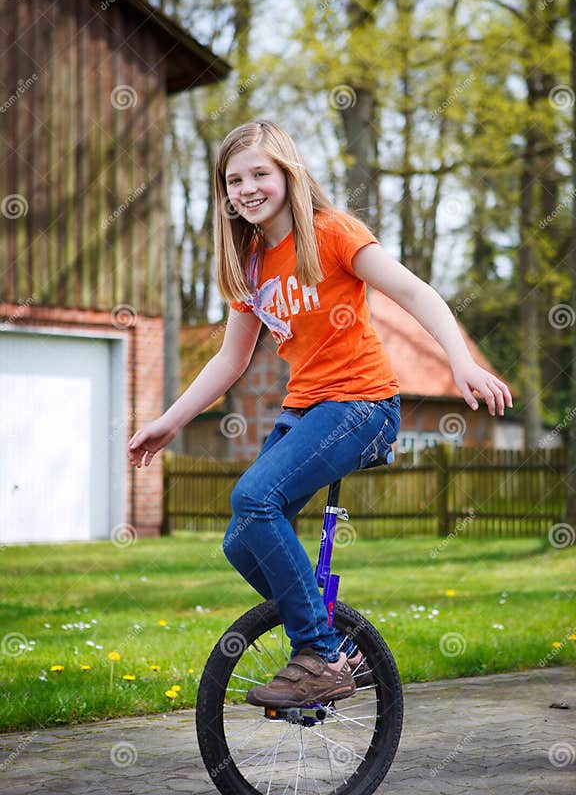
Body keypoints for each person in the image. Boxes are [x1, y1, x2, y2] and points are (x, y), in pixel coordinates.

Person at [127, 119, 513, 709]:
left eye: (260, 173)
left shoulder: (332, 234)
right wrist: (170, 419)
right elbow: (231, 360)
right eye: (234, 180)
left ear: (288, 174)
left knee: (253, 499)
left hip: (363, 405)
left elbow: (415, 294)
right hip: (304, 409)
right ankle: (334, 645)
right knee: (240, 541)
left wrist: (459, 361)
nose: (247, 188)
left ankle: (321, 654)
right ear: (223, 192)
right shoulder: (251, 263)